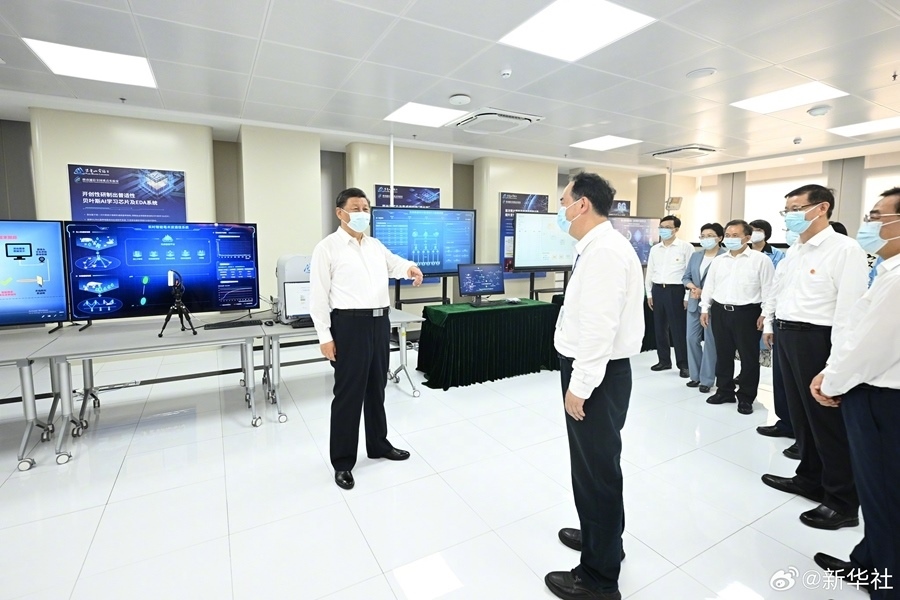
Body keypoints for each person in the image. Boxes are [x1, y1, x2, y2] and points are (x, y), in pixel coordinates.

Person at [547, 172, 644, 600]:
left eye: (563, 201)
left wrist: (581, 385)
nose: (561, 210)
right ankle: (602, 540)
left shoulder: (604, 252)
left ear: (582, 204)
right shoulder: (598, 247)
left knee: (596, 472)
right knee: (595, 467)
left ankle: (598, 578)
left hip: (597, 375)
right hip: (600, 371)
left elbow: (599, 328)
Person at [761, 184, 869, 530]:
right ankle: (809, 478)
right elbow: (779, 290)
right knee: (801, 415)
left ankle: (842, 502)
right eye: (787, 210)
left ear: (822, 208)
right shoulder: (795, 249)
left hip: (818, 339)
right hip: (789, 335)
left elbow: (850, 311)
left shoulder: (844, 249)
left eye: (796, 208)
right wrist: (772, 323)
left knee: (826, 421)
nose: (789, 216)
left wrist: (836, 365)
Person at [809, 188, 900, 597]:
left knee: (882, 494)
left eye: (878, 216)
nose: (869, 223)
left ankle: (886, 585)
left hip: (881, 397)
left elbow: (870, 347)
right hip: (875, 389)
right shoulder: (886, 271)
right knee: (879, 490)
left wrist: (830, 382)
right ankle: (868, 562)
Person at [310, 187, 424, 491]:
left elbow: (394, 263)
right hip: (349, 325)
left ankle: (378, 444)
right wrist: (324, 336)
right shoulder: (327, 248)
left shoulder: (374, 245)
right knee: (348, 395)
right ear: (340, 213)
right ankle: (343, 461)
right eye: (356, 208)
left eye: (366, 208)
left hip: (379, 323)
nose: (362, 214)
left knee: (377, 388)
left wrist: (410, 268)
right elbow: (318, 297)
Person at [699, 220, 774, 414]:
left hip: (747, 313)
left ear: (747, 238)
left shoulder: (760, 260)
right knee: (723, 354)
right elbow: (710, 286)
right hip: (720, 311)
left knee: (748, 357)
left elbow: (769, 291)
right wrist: (705, 308)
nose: (730, 239)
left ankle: (746, 397)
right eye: (728, 235)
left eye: (735, 235)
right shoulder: (719, 260)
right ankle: (724, 391)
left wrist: (765, 315)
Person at [749, 220, 794, 443]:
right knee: (781, 377)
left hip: (807, 327)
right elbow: (775, 290)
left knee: (798, 382)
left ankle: (801, 432)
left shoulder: (778, 255)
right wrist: (769, 320)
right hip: (779, 318)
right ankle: (785, 422)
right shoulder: (791, 257)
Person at [645, 214, 693, 377]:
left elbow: (690, 273)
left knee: (678, 329)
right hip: (658, 289)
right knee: (659, 328)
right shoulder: (655, 249)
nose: (663, 230)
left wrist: (687, 296)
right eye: (661, 227)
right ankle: (664, 360)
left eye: (667, 227)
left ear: (676, 229)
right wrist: (649, 293)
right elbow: (650, 271)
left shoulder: (685, 247)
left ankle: (684, 364)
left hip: (676, 290)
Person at [682, 223, 725, 393]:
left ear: (719, 238)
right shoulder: (696, 256)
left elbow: (724, 283)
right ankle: (695, 376)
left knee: (710, 343)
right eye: (703, 236)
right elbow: (685, 277)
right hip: (694, 304)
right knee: (691, 339)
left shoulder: (724, 256)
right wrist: (693, 288)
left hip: (713, 306)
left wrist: (704, 292)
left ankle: (707, 380)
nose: (705, 239)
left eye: (710, 236)